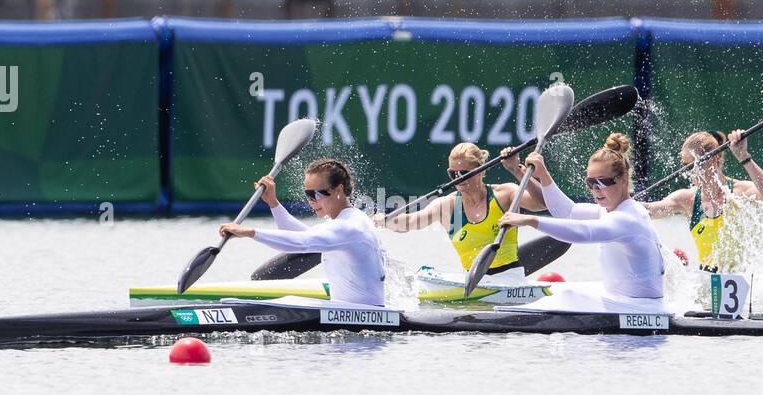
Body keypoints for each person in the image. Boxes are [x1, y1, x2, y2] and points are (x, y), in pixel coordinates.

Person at [498, 133, 667, 311]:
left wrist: (530, 220)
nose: (596, 189)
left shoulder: (628, 218)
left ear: (623, 180)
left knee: (566, 297)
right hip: (624, 302)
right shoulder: (609, 211)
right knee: (564, 292)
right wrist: (540, 174)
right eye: (591, 182)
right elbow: (567, 212)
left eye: (602, 182)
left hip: (640, 309)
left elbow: (582, 232)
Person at [218, 158, 386, 306]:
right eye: (308, 194)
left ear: (339, 190)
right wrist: (273, 202)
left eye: (317, 193)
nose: (312, 201)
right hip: (348, 314)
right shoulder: (345, 221)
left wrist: (249, 232)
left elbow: (302, 242)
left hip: (362, 325)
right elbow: (305, 236)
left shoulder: (349, 227)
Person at [374, 142, 546, 282]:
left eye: (464, 173)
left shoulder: (505, 194)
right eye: (452, 173)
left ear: (481, 170)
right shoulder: (446, 205)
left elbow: (542, 204)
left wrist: (517, 170)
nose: (458, 179)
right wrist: (383, 220)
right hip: (473, 281)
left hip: (510, 279)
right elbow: (410, 222)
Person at [641, 130, 763, 272]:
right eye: (686, 166)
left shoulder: (739, 192)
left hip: (744, 279)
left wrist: (743, 157)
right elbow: (648, 211)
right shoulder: (686, 199)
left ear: (715, 159)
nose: (689, 171)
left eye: (695, 164)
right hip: (708, 284)